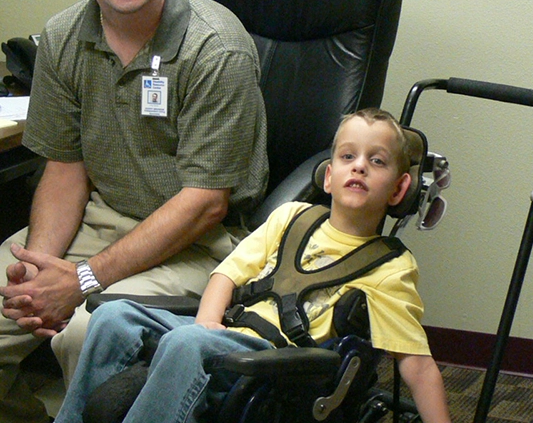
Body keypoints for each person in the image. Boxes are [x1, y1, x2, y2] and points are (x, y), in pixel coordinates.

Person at [0, 0, 268, 423]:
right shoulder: (64, 37)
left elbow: (206, 201)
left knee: (84, 333)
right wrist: (43, 269)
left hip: (198, 243)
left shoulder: (216, 46)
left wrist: (83, 281)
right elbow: (64, 168)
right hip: (96, 221)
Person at [55, 108, 452, 423]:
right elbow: (226, 273)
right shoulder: (291, 217)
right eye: (348, 156)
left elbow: (416, 365)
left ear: (400, 188)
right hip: (223, 335)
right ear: (329, 177)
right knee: (113, 316)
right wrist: (208, 323)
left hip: (277, 363)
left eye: (377, 161)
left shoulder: (390, 267)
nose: (359, 166)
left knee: (186, 343)